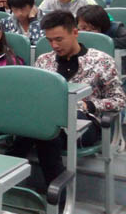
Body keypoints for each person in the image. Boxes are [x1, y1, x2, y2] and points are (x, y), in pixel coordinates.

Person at [11, 11, 126, 189]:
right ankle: (55, 193)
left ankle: (8, 177)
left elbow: (119, 99)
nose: (54, 45)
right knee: (43, 131)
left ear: (75, 32)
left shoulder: (101, 61)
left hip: (85, 122)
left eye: (59, 39)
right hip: (48, 120)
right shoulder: (44, 61)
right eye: (49, 40)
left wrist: (90, 105)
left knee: (41, 131)